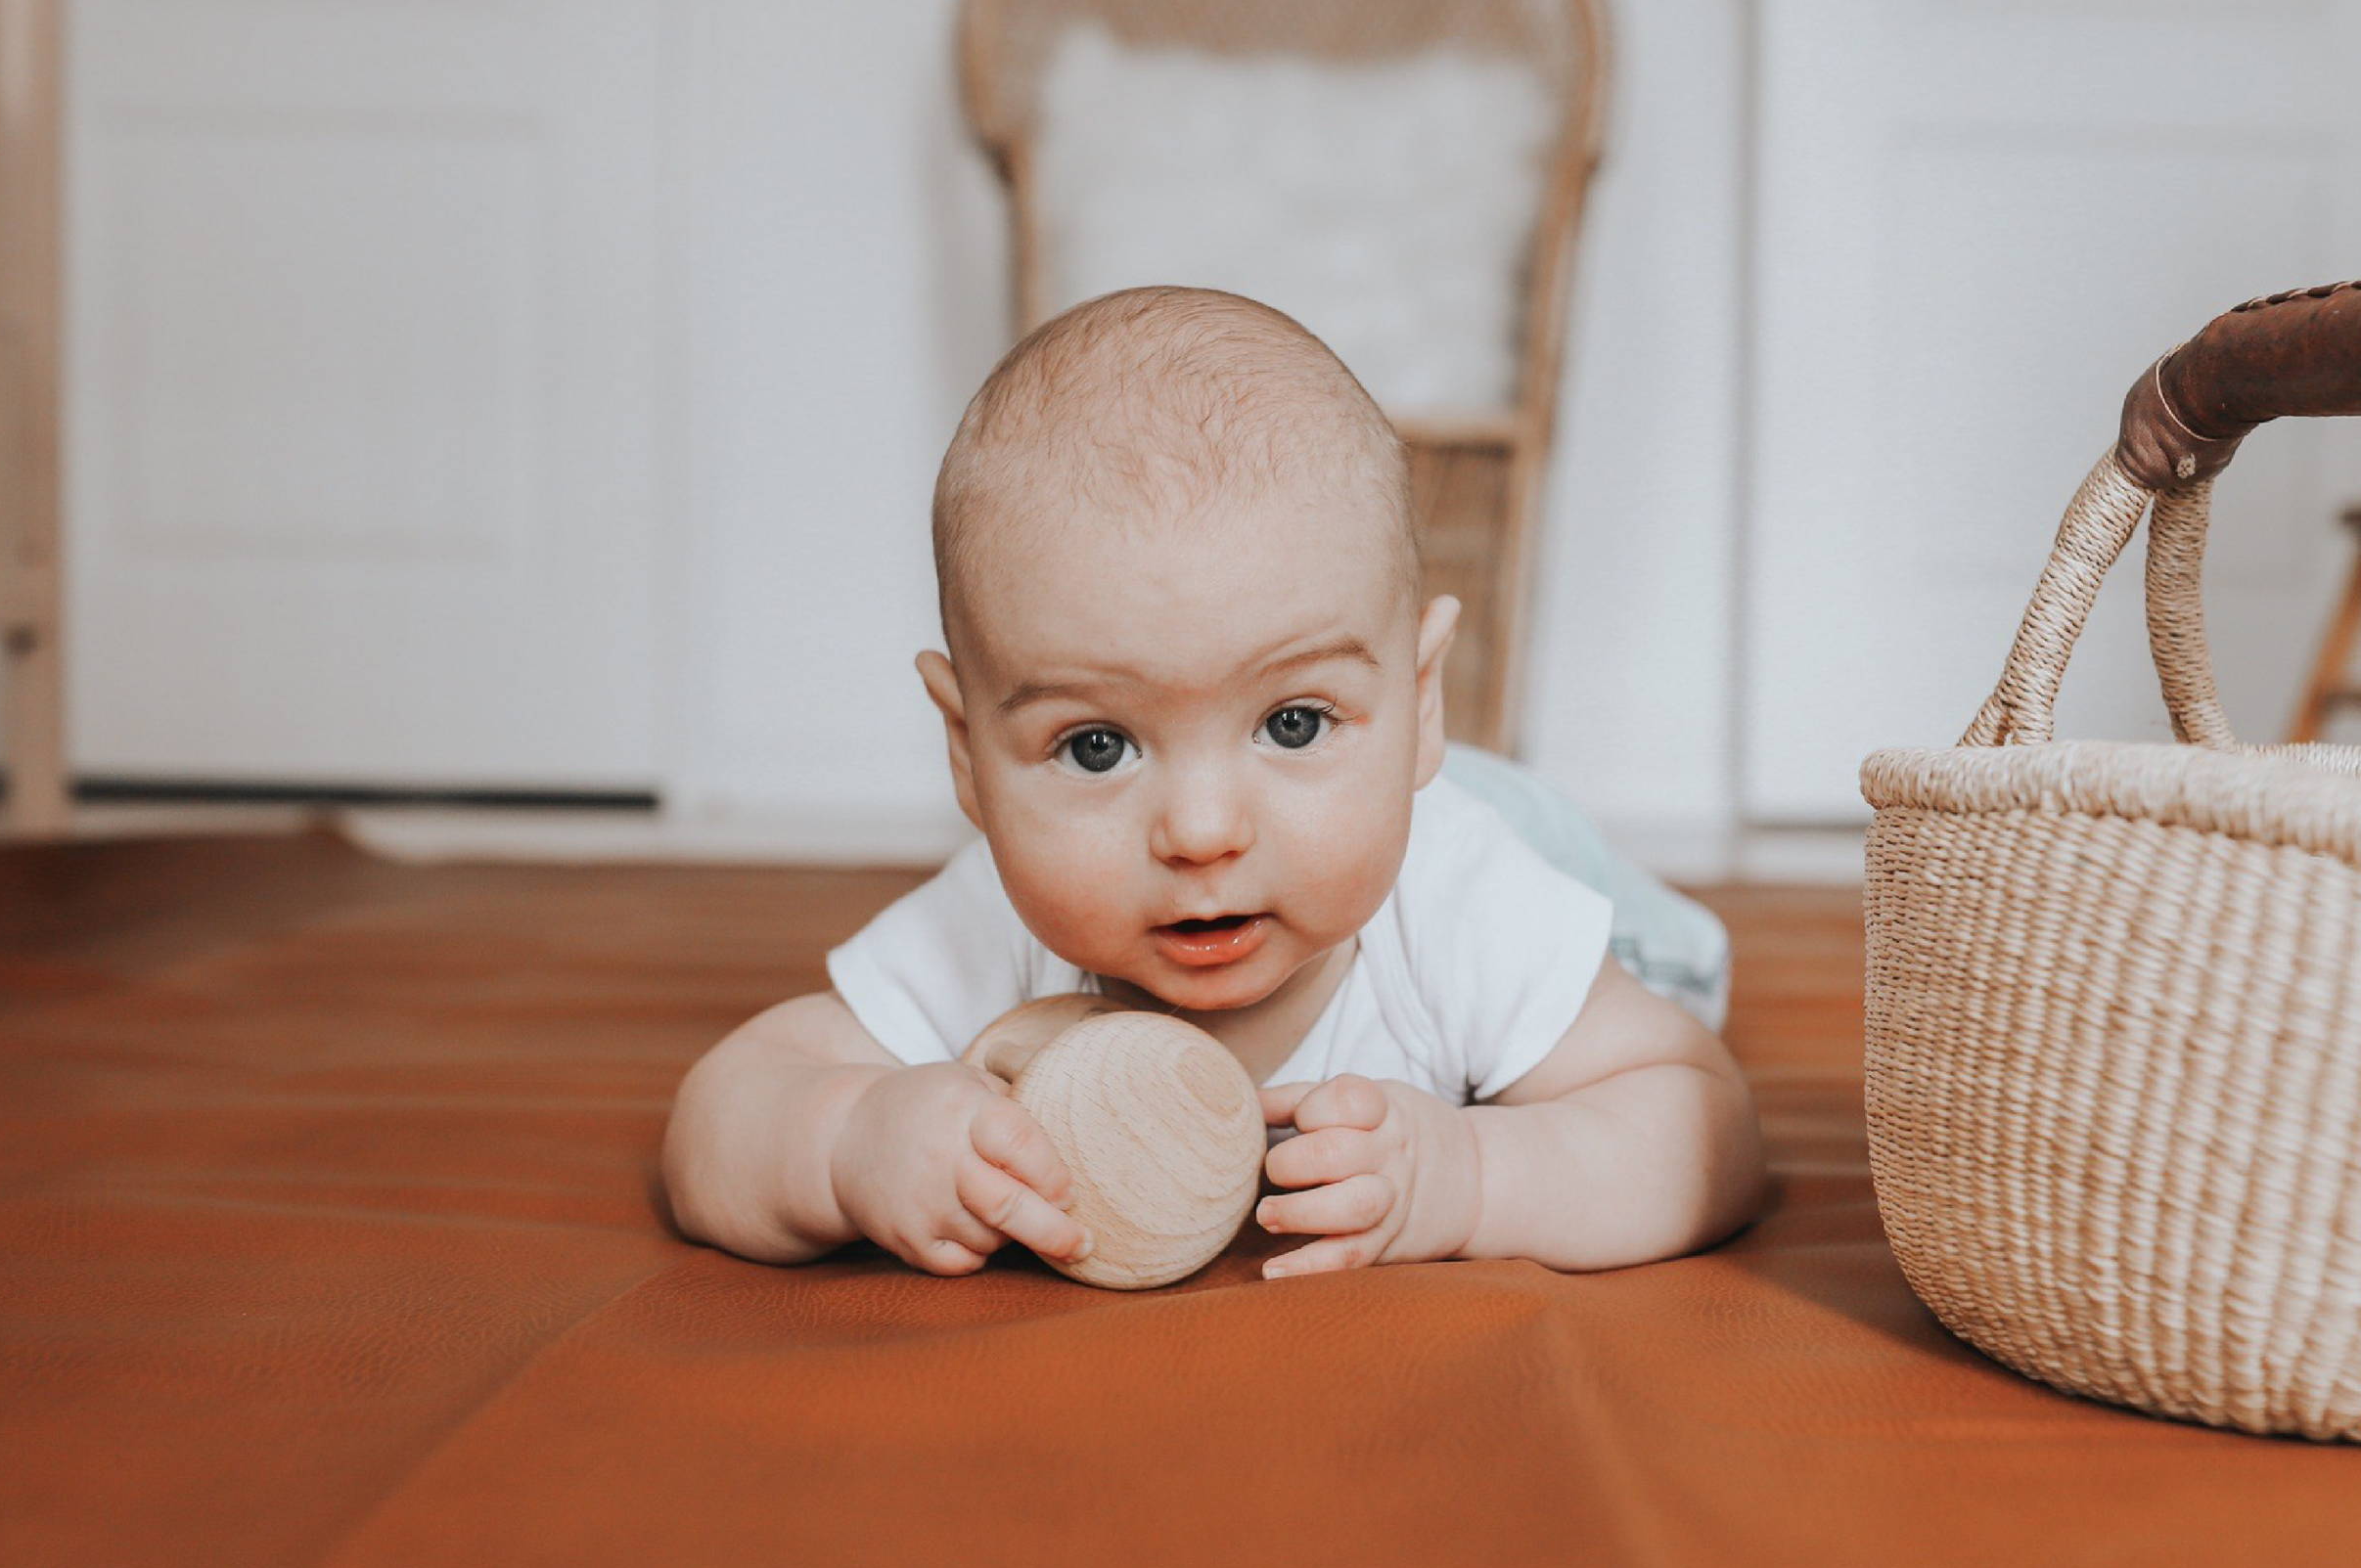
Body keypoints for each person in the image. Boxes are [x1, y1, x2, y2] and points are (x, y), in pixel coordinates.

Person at [663, 288, 1761, 1279]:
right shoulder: (991, 926)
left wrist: (1472, 1173)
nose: (1200, 832)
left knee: (1653, 966)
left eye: (1292, 721)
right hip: (1360, 810)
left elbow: (1702, 1127)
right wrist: (852, 1136)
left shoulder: (1467, 902)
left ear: (1421, 700)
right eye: (1098, 747)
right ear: (969, 755)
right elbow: (721, 1116)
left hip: (1504, 832)